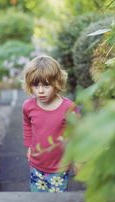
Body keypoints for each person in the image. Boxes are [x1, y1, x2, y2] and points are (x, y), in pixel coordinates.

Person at [22, 55, 79, 192]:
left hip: (59, 167)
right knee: (38, 198)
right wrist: (29, 146)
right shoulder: (28, 106)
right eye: (36, 85)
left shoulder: (69, 108)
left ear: (57, 82)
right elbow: (27, 125)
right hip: (36, 165)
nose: (40, 91)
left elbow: (77, 135)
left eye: (46, 85)